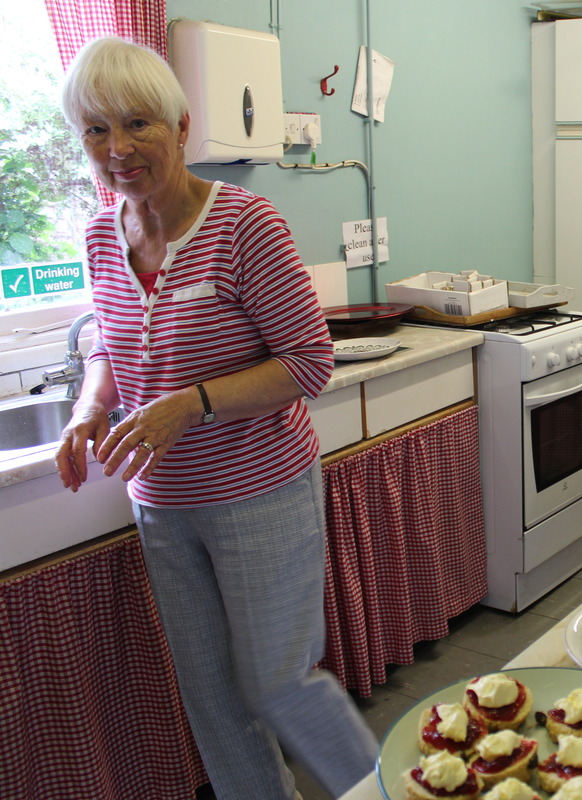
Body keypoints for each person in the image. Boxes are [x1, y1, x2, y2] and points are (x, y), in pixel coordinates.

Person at [55, 37, 377, 799]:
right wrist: (87, 409)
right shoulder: (102, 234)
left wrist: (189, 405)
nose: (117, 148)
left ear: (182, 127)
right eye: (96, 130)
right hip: (161, 505)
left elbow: (308, 361)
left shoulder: (244, 225)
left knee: (278, 684)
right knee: (212, 701)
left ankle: (389, 790)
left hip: (260, 491)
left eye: (137, 124)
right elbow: (108, 340)